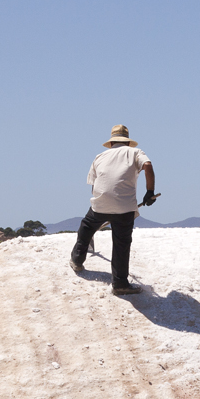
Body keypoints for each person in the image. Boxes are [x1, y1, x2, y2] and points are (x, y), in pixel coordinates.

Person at [71, 124, 159, 294]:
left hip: (100, 204)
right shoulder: (136, 152)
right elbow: (147, 165)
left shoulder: (99, 156)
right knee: (121, 243)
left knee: (86, 228)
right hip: (125, 207)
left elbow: (94, 185)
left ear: (111, 143)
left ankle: (77, 260)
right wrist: (150, 192)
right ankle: (120, 284)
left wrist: (101, 202)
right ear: (127, 143)